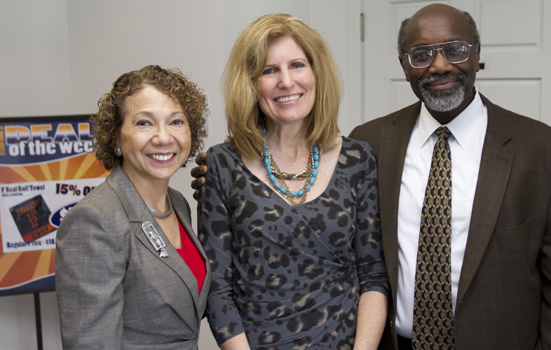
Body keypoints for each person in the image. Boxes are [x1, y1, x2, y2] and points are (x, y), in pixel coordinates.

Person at [348, 4, 551, 350]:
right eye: (421, 55)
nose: (440, 65)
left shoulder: (548, 153)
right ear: (404, 67)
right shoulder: (369, 142)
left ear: (477, 54)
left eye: (455, 50)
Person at [196, 14, 389, 350]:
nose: (286, 81)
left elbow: (372, 275)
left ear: (317, 73)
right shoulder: (222, 164)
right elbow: (217, 289)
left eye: (297, 65)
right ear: (251, 83)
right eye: (269, 70)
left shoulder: (358, 159)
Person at [56, 65, 210, 350]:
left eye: (176, 122)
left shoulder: (178, 203)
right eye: (144, 123)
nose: (163, 137)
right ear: (116, 136)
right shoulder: (94, 220)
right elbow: (92, 344)